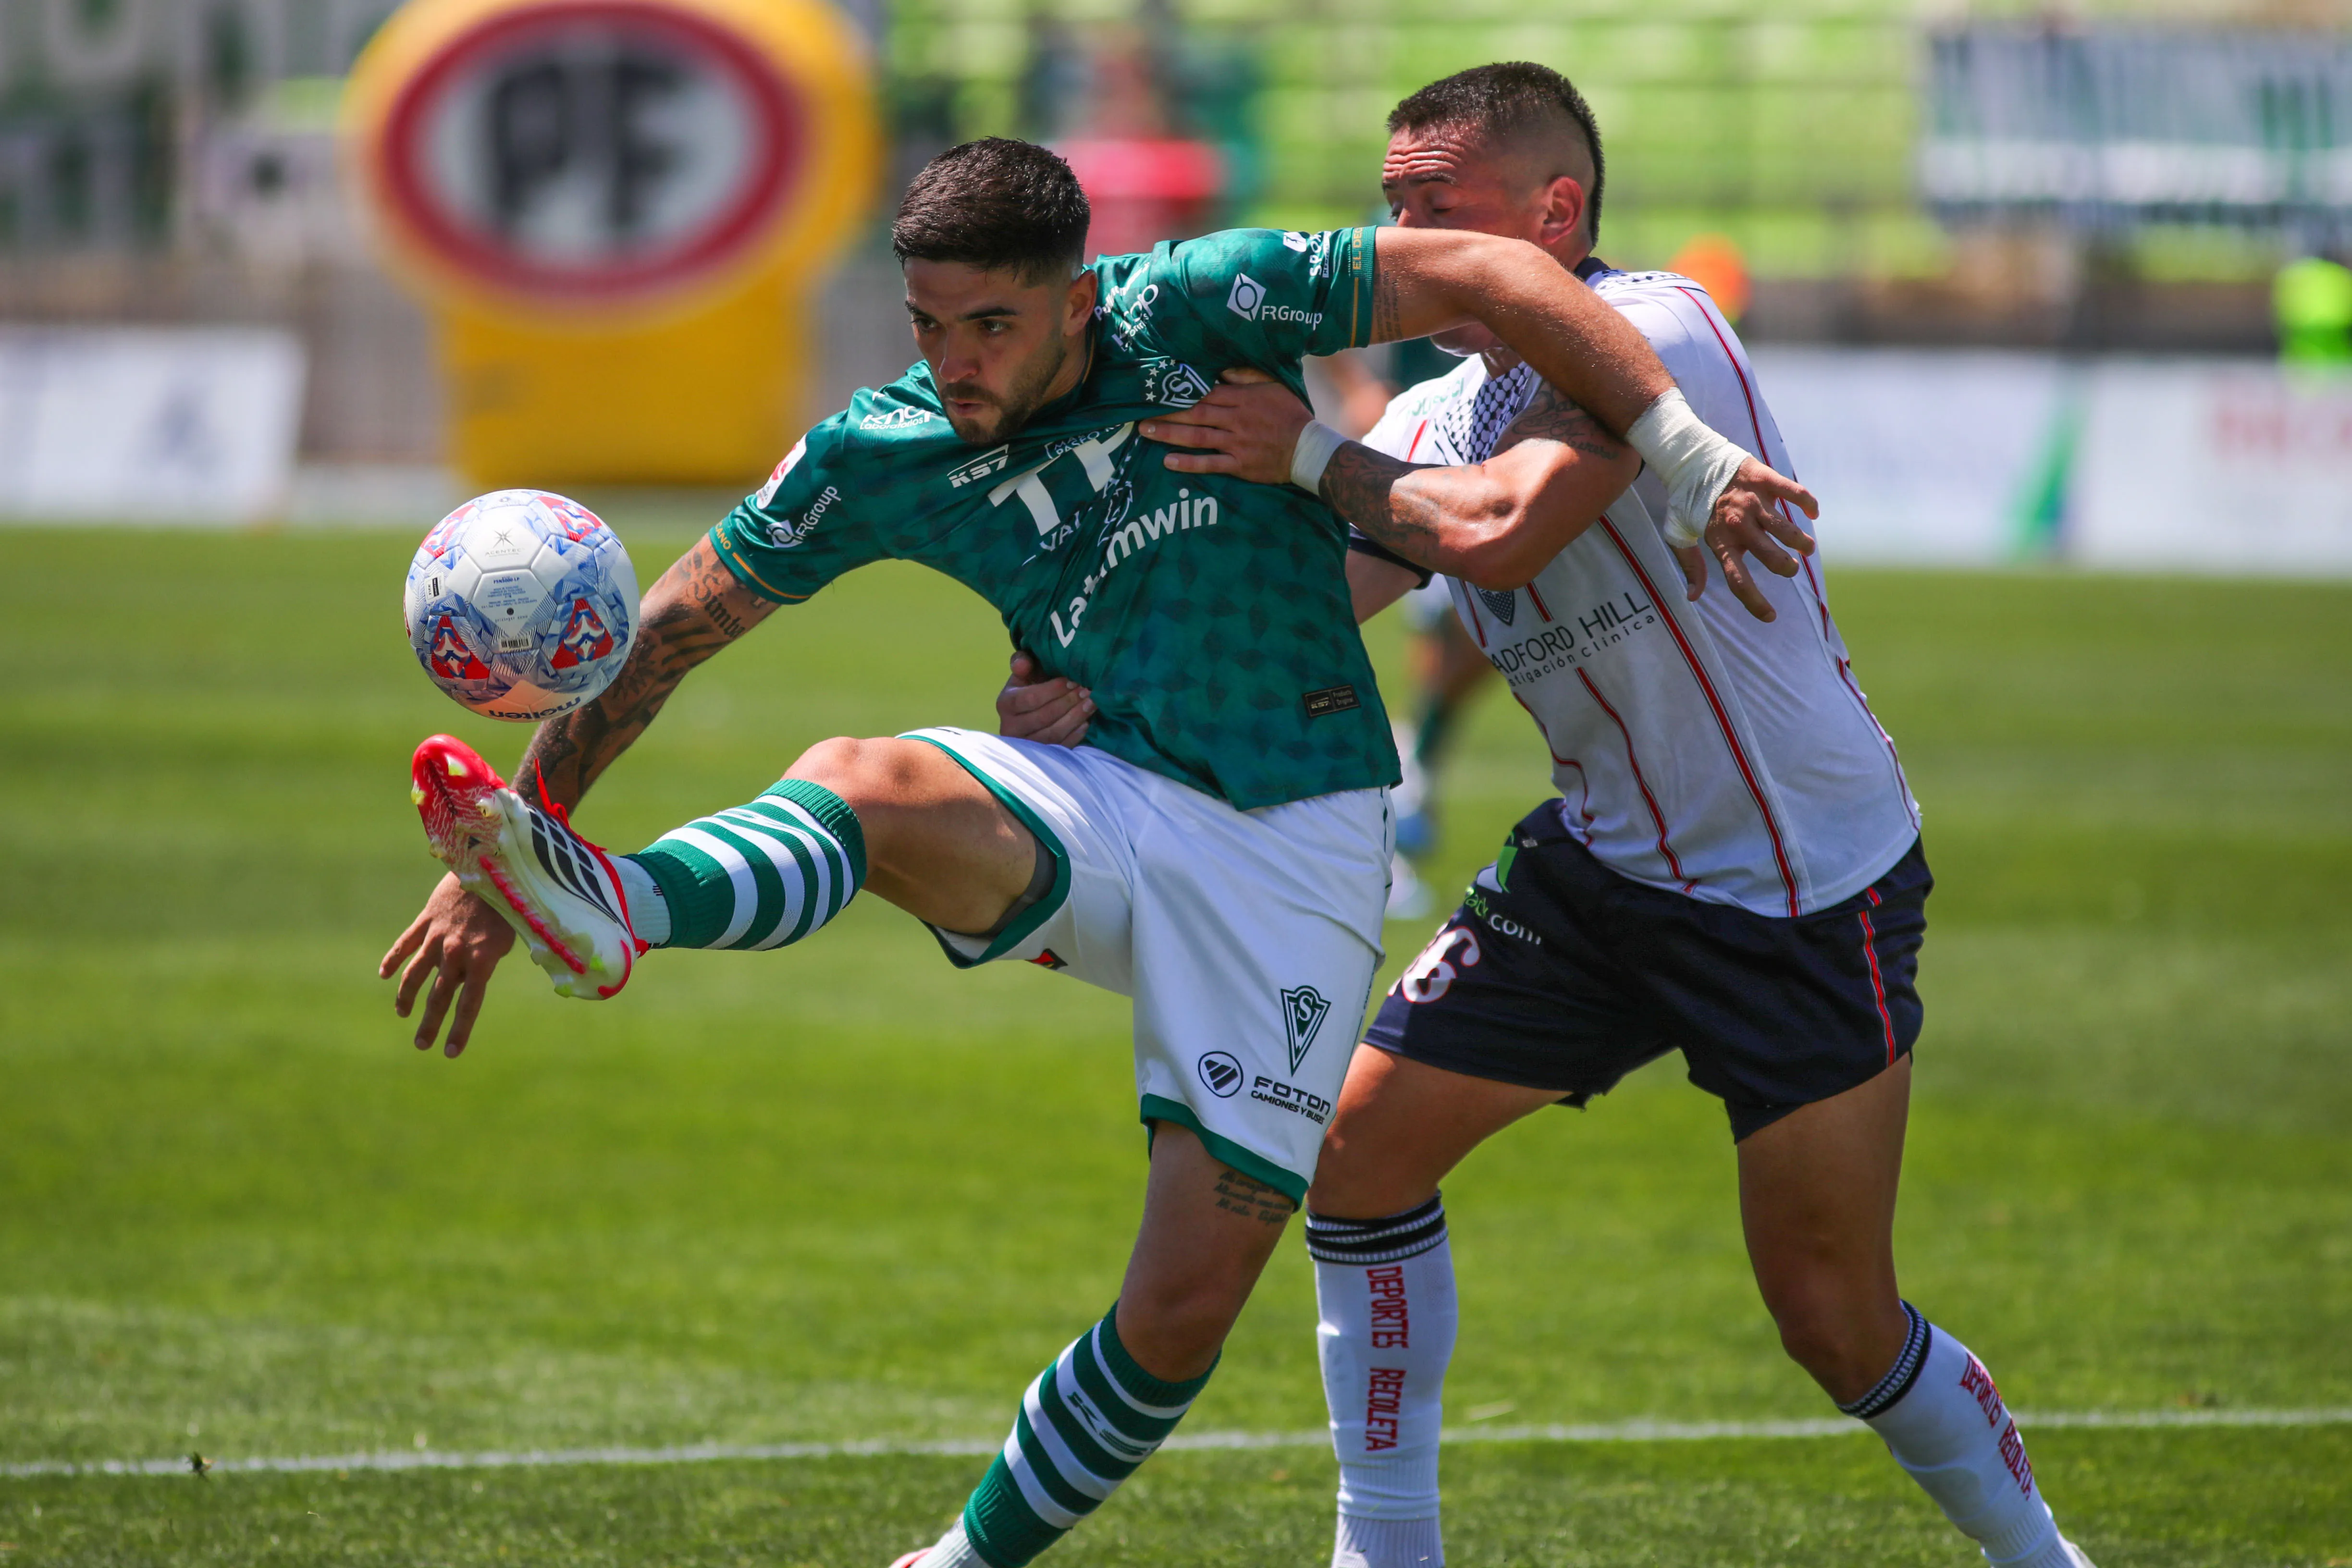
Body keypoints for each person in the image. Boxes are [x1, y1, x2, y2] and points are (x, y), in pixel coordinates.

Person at [378, 136, 1809, 1568]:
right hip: (1096, 797)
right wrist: (508, 851)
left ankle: (958, 1562)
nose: (954, 364)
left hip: (1297, 845)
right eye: (927, 326)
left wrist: (1687, 451)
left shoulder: (1202, 306)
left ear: (1076, 298)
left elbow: (1497, 270)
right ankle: (620, 906)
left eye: (989, 325)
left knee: (1179, 1314)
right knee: (859, 781)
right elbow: (672, 631)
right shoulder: (880, 449)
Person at [998, 65, 2095, 1568]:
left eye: (1431, 210)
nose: (1400, 242)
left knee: (1833, 1322)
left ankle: (2043, 1558)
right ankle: (1386, 1551)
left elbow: (1501, 540)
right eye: (1388, 209)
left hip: (1798, 884)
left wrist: (1308, 451)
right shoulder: (1444, 406)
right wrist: (1102, 682)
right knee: (1356, 1160)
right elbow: (1332, 598)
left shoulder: (1652, 335)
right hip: (1596, 870)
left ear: (1551, 212)